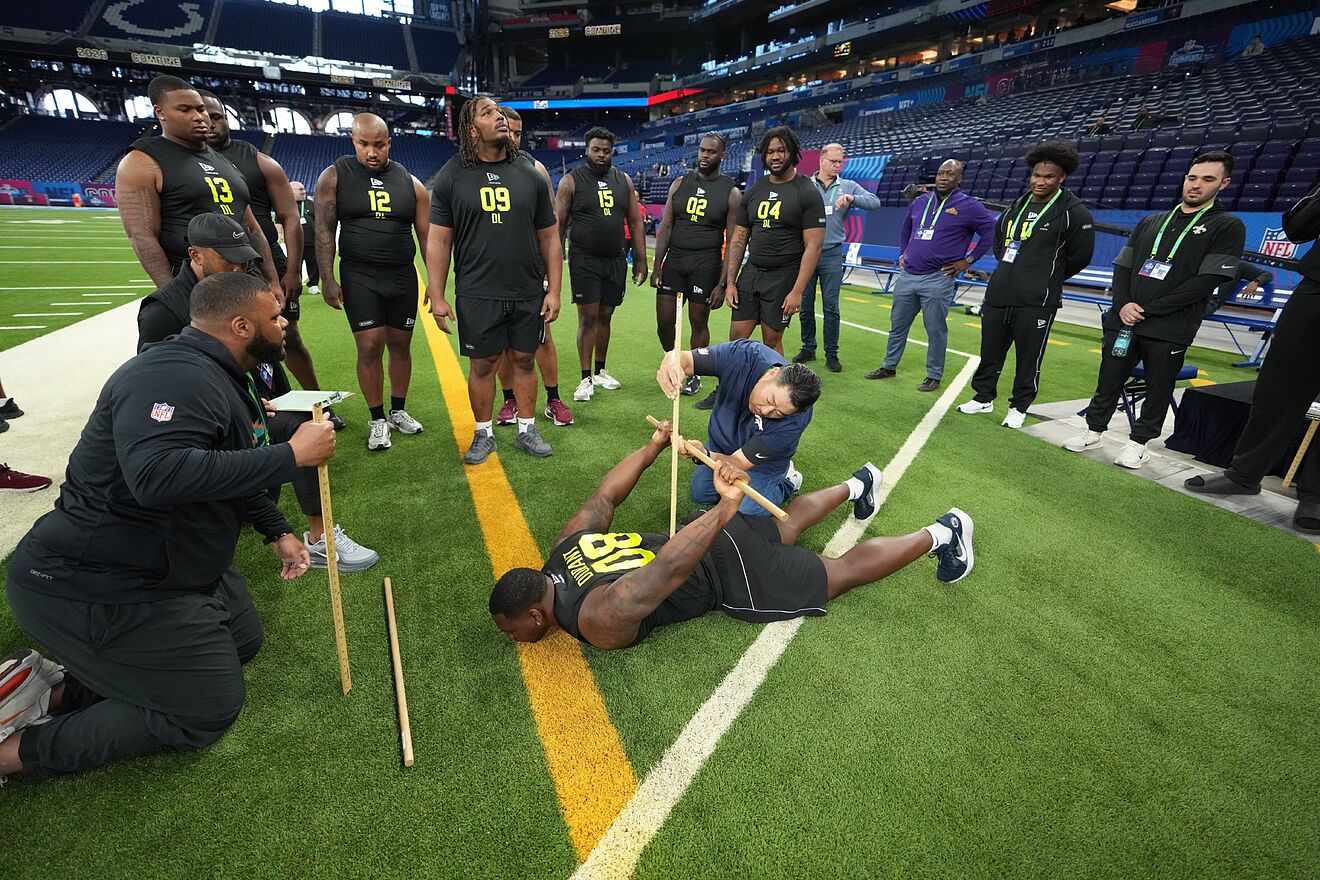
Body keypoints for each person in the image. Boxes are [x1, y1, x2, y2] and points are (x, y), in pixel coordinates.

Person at [0, 273, 337, 784]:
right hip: (96, 582)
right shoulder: (173, 375)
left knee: (242, 638)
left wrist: (276, 530)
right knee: (206, 707)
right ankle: (17, 750)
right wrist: (290, 455)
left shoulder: (223, 372)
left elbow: (227, 460)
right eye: (275, 316)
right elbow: (156, 477)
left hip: (166, 569)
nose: (285, 323)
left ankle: (58, 688)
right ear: (242, 326)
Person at [487, 419, 975, 651]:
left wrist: (724, 508)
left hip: (726, 565)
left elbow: (668, 569)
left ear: (534, 614)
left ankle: (944, 533)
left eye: (513, 631)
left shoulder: (593, 620)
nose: (515, 639)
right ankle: (858, 483)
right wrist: (653, 446)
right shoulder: (560, 553)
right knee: (788, 522)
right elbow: (604, 498)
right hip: (705, 534)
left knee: (841, 572)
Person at [137, 212, 377, 571]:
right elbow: (156, 390)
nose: (238, 269)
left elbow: (259, 354)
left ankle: (319, 536)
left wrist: (256, 400)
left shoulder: (244, 290)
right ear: (196, 255)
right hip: (202, 432)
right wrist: (231, 409)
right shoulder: (164, 310)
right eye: (228, 260)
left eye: (244, 260)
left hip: (248, 406)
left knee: (302, 422)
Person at [1065, 151, 1245, 468]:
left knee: (1158, 387)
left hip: (1171, 326)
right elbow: (1123, 267)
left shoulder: (1227, 225)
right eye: (1192, 177)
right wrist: (1123, 304)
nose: (1196, 185)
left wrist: (1150, 309)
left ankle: (1139, 443)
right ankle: (1093, 430)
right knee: (1108, 378)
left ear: (1223, 183)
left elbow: (1208, 280)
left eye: (1207, 179)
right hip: (1125, 320)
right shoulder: (1153, 221)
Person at [425, 97, 563, 464]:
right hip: (477, 290)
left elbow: (550, 236)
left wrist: (555, 290)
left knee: (524, 358)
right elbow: (439, 239)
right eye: (488, 113)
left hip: (526, 289)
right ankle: (483, 434)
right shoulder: (451, 175)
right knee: (483, 364)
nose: (499, 117)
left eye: (500, 112)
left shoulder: (530, 173)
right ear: (472, 130)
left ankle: (527, 429)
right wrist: (436, 294)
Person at [1184, 179, 1320, 533]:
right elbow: (1297, 229)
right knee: (1278, 388)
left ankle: (1316, 495)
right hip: (1317, 288)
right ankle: (1244, 474)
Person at [199, 91, 333, 427]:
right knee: (226, 345)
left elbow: (290, 215)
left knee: (288, 338)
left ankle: (318, 404)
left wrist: (288, 273)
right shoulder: (181, 163)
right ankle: (247, 415)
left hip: (263, 261)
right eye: (204, 115)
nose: (210, 122)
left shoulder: (255, 159)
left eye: (217, 116)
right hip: (213, 266)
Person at [314, 113, 431, 452]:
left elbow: (427, 239)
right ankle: (377, 418)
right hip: (360, 275)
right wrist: (327, 278)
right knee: (369, 347)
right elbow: (323, 231)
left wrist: (435, 287)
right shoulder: (335, 176)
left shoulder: (412, 184)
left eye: (379, 145)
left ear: (389, 143)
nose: (372, 152)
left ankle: (398, 410)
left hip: (402, 276)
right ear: (354, 141)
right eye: (364, 144)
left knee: (400, 345)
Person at [958, 142, 1095, 428]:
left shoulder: (1073, 211)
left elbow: (1080, 256)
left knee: (1028, 358)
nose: (1040, 181)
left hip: (1037, 300)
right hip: (999, 293)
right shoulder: (1017, 206)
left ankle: (1019, 406)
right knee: (990, 352)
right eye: (1036, 175)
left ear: (1062, 178)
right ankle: (983, 398)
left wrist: (1043, 276)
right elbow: (999, 243)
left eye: (1048, 176)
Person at [114, 76, 280, 293]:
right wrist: (174, 294)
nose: (199, 117)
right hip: (197, 283)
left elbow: (253, 228)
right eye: (185, 110)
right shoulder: (142, 161)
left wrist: (272, 281)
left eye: (201, 109)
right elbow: (142, 236)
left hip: (246, 277)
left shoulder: (223, 160)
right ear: (160, 112)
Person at [868, 159, 996, 390]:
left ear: (960, 179)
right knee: (897, 325)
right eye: (940, 173)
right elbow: (906, 228)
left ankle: (934, 375)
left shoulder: (969, 205)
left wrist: (968, 260)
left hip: (939, 277)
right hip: (908, 275)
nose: (944, 177)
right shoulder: (920, 202)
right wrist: (902, 252)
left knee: (935, 329)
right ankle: (889, 366)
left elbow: (990, 231)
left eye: (950, 174)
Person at [657, 338, 826, 514]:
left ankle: (787, 481)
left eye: (778, 413)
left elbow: (738, 462)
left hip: (762, 465)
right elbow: (684, 359)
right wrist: (672, 362)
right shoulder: (743, 354)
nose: (766, 411)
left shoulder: (795, 419)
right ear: (771, 373)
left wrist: (703, 455)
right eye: (770, 400)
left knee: (745, 513)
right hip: (720, 444)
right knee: (701, 494)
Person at [493, 106, 574, 429]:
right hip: (495, 273)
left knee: (542, 338)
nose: (512, 138)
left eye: (517, 132)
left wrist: (550, 279)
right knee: (500, 342)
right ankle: (509, 400)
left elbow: (550, 229)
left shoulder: (535, 168)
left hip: (531, 270)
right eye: (507, 131)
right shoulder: (478, 169)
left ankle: (553, 399)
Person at [556, 127, 648, 403]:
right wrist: (554, 259)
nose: (601, 155)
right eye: (596, 150)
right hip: (584, 259)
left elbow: (635, 221)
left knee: (606, 316)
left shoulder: (624, 181)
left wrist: (641, 259)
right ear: (587, 149)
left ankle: (600, 371)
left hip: (615, 259)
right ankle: (585, 378)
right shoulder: (571, 181)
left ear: (612, 152)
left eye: (606, 151)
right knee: (588, 318)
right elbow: (558, 223)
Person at [650, 132, 741, 399]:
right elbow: (666, 226)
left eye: (711, 152)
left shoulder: (731, 192)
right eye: (702, 150)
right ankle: (673, 362)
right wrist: (658, 266)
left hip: (706, 262)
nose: (704, 155)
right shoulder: (680, 183)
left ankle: (695, 374)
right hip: (676, 259)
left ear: (722, 155)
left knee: (698, 322)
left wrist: (722, 283)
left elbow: (734, 240)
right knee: (664, 322)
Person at [724, 126, 826, 362]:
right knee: (736, 338)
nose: (776, 156)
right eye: (770, 152)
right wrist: (731, 281)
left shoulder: (807, 192)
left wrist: (797, 291)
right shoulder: (756, 189)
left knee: (771, 341)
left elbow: (814, 246)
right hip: (752, 273)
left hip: (783, 277)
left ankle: (773, 393)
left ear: (792, 152)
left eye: (781, 150)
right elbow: (739, 238)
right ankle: (728, 390)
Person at [794, 143, 881, 373]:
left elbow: (875, 202)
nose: (837, 165)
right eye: (833, 161)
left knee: (831, 306)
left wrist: (853, 199)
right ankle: (808, 347)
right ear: (821, 161)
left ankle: (831, 353)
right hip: (806, 253)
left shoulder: (848, 186)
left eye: (840, 161)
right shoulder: (805, 185)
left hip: (832, 253)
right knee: (805, 304)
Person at [292, 181, 318, 292]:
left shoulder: (311, 204)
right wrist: (279, 233)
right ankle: (297, 284)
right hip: (295, 242)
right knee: (295, 265)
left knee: (314, 264)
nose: (304, 192)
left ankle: (313, 285)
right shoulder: (287, 204)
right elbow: (279, 220)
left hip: (312, 241)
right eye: (300, 189)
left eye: (303, 189)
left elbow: (318, 220)